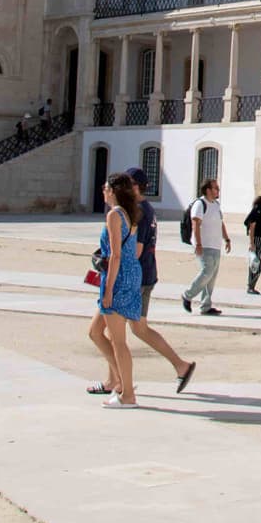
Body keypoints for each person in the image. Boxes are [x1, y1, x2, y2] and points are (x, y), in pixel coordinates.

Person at [121, 166, 196, 392]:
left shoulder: (139, 211)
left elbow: (137, 250)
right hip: (147, 274)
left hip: (136, 277)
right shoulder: (147, 209)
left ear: (135, 186)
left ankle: (118, 383)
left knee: (113, 330)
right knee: (138, 329)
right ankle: (180, 366)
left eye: (126, 184)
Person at [86, 173, 143, 408]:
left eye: (105, 187)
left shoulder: (114, 215)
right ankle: (121, 381)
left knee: (118, 340)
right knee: (95, 332)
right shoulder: (129, 213)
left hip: (117, 278)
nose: (103, 190)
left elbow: (116, 254)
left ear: (113, 190)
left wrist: (108, 289)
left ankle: (127, 394)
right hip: (130, 274)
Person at [182, 179, 229, 315]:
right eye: (215, 188)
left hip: (215, 245)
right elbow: (195, 224)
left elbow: (221, 223)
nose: (218, 191)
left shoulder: (216, 205)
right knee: (207, 272)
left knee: (212, 276)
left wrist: (227, 238)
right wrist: (198, 243)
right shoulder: (200, 204)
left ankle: (206, 306)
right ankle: (187, 295)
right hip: (204, 245)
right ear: (208, 190)